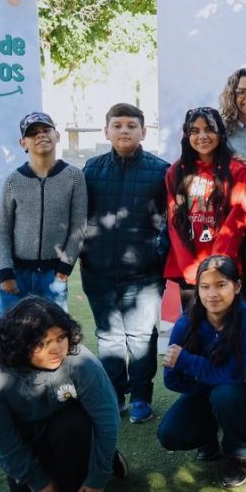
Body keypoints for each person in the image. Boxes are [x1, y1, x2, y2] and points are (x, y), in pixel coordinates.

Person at [0, 296, 127, 492]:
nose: (56, 350)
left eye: (61, 338)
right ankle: (81, 464)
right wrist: (34, 479)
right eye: (41, 343)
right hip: (25, 437)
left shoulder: (80, 361)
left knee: (73, 424)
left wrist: (98, 477)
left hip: (70, 431)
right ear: (18, 344)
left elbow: (107, 420)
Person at [80, 103, 170, 423]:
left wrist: (158, 256)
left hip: (144, 274)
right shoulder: (90, 169)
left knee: (143, 336)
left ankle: (141, 397)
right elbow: (79, 217)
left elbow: (171, 222)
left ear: (143, 132)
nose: (124, 131)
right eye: (117, 125)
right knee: (109, 336)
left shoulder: (161, 170)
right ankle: (115, 394)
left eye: (131, 126)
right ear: (106, 131)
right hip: (98, 270)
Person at [157, 255, 246, 488]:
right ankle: (208, 438)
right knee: (169, 434)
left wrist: (188, 362)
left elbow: (235, 376)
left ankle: (239, 451)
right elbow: (171, 380)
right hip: (206, 393)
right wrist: (217, 377)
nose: (212, 294)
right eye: (205, 287)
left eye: (221, 285)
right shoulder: (185, 324)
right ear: (197, 289)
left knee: (225, 393)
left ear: (237, 286)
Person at [0, 112, 88, 315]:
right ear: (23, 143)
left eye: (46, 130)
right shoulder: (13, 181)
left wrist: (63, 270)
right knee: (7, 337)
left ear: (57, 136)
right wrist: (5, 273)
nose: (41, 136)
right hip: (16, 275)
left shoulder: (74, 177)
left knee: (52, 334)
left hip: (53, 276)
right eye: (33, 133)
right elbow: (2, 230)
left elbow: (79, 227)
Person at [164, 107, 246, 311]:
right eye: (194, 131)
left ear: (220, 132)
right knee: (193, 327)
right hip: (188, 268)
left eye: (209, 129)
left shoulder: (237, 170)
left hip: (224, 268)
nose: (202, 136)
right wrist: (190, 267)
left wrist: (216, 265)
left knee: (225, 328)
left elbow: (237, 220)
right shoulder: (176, 172)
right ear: (187, 135)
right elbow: (174, 223)